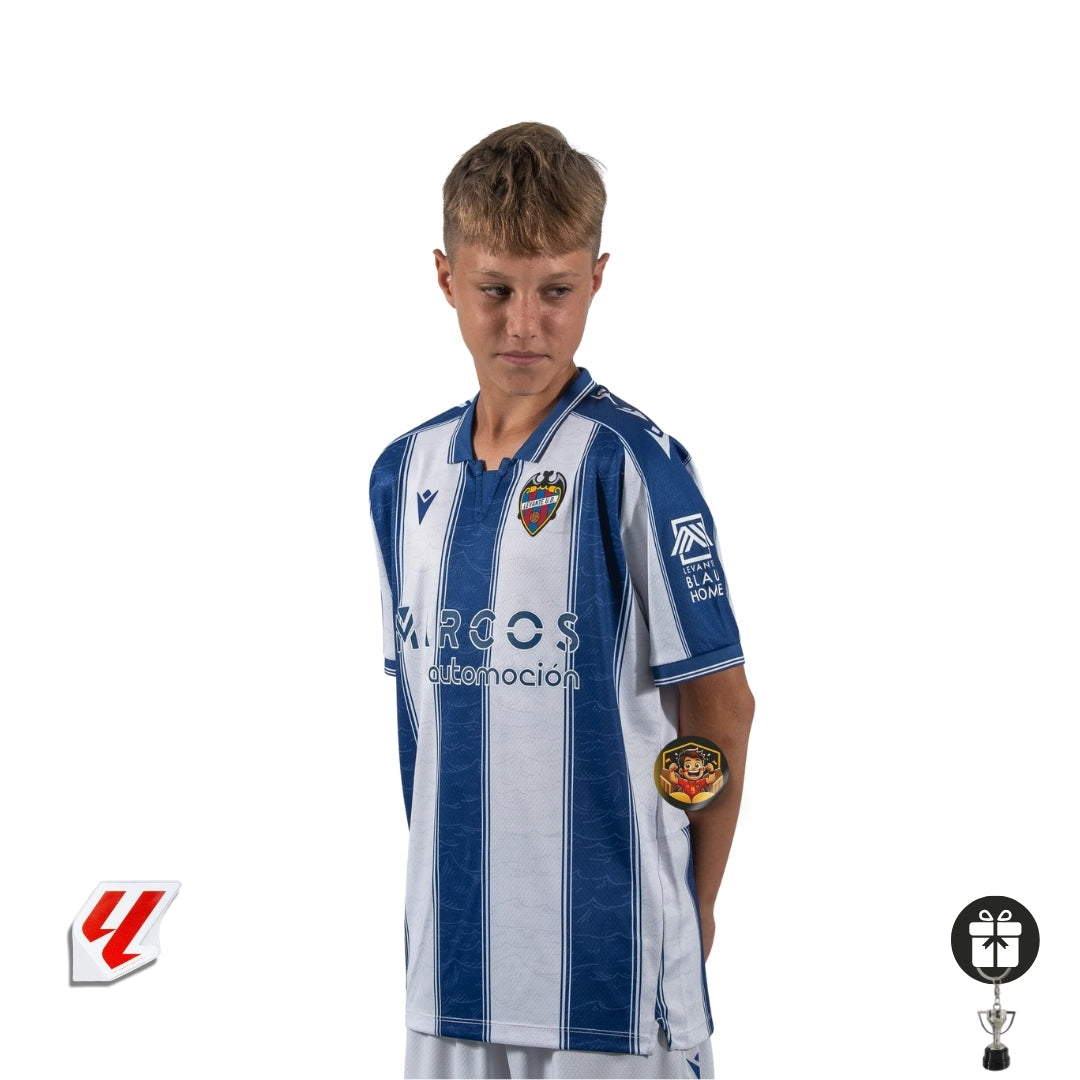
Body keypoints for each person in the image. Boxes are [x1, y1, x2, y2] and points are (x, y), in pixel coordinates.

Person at [369, 122, 755, 1080]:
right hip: (449, 967)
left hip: (613, 973)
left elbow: (718, 708)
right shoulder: (402, 474)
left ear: (596, 279)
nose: (524, 325)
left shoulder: (632, 464)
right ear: (446, 277)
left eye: (556, 290)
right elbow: (426, 717)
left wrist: (695, 900)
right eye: (496, 289)